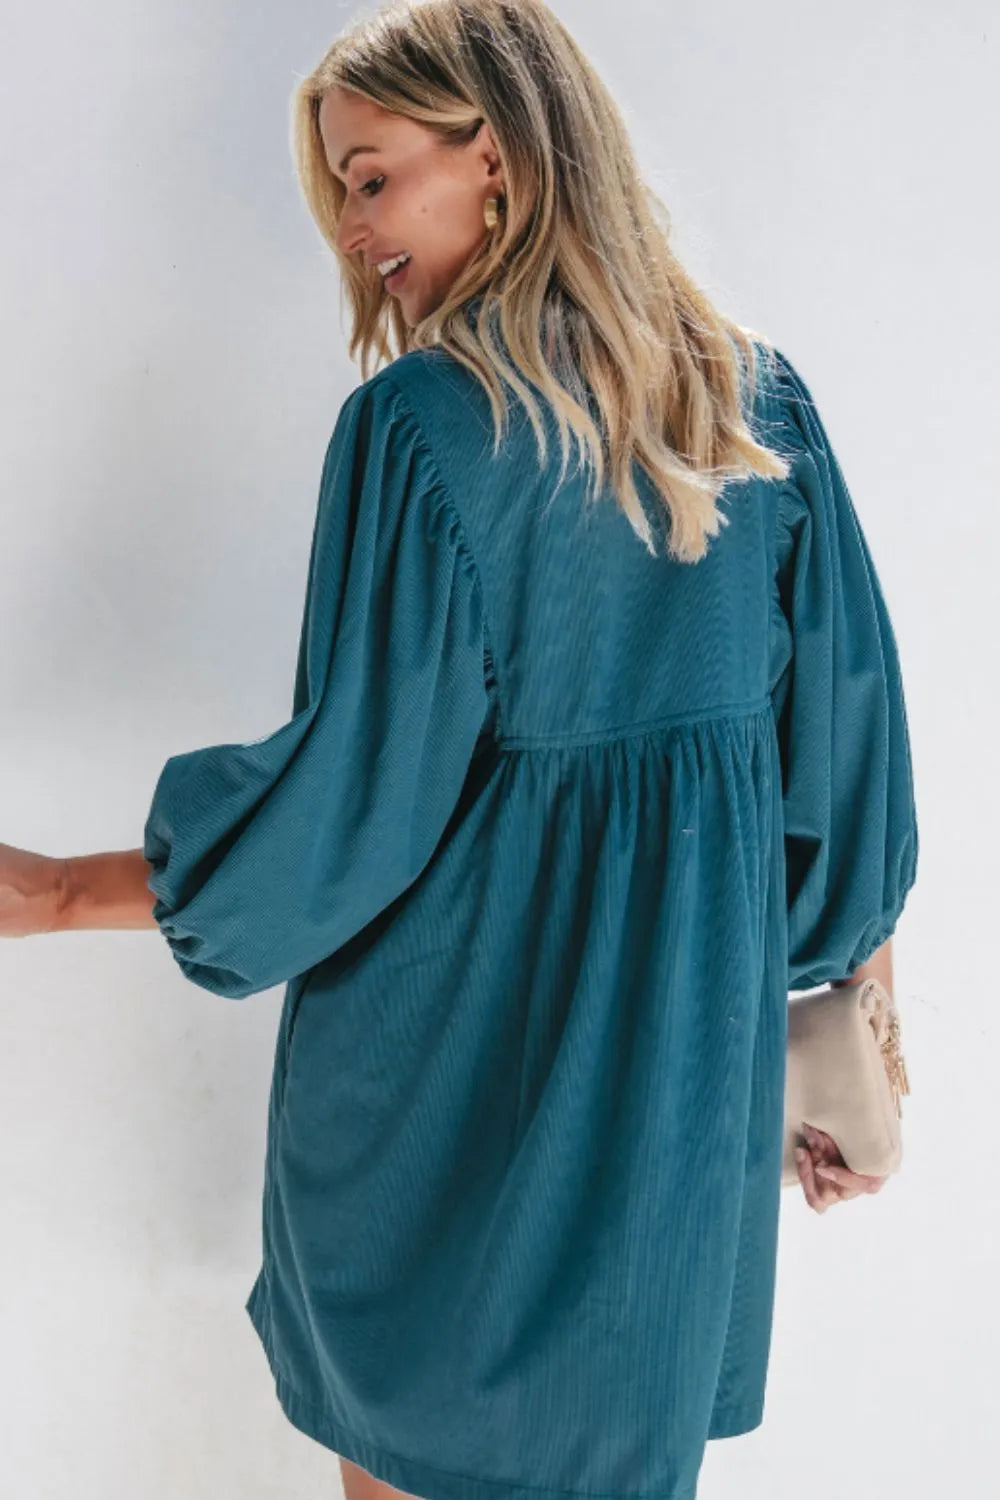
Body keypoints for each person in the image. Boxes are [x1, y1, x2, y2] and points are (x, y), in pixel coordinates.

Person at [0, 1, 919, 1498]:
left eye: (372, 177)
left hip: (447, 1125)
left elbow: (345, 813)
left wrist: (48, 895)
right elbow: (854, 764)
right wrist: (862, 1043)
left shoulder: (426, 427)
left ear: (494, 152)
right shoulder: (757, 403)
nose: (351, 228)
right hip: (676, 1141)